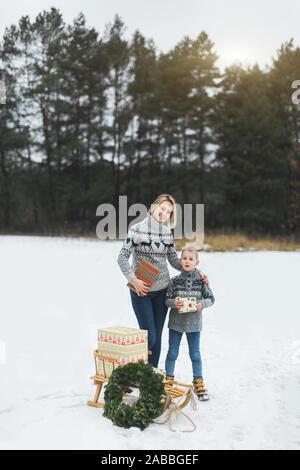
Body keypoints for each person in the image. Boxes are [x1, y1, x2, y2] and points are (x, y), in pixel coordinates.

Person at [117, 194, 208, 368]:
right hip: (141, 291)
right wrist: (133, 280)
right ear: (154, 206)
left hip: (163, 292)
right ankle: (128, 371)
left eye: (168, 211)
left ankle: (150, 377)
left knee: (157, 338)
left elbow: (175, 261)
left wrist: (198, 272)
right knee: (149, 337)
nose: (164, 213)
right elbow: (122, 258)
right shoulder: (136, 229)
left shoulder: (167, 233)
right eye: (162, 208)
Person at [164, 246, 215, 400]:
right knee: (172, 352)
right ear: (180, 261)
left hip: (194, 323)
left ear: (196, 262)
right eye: (184, 258)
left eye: (191, 259)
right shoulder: (174, 281)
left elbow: (211, 298)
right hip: (176, 323)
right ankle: (168, 380)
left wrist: (201, 305)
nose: (187, 261)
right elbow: (167, 300)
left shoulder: (201, 281)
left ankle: (198, 382)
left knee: (195, 354)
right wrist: (174, 302)